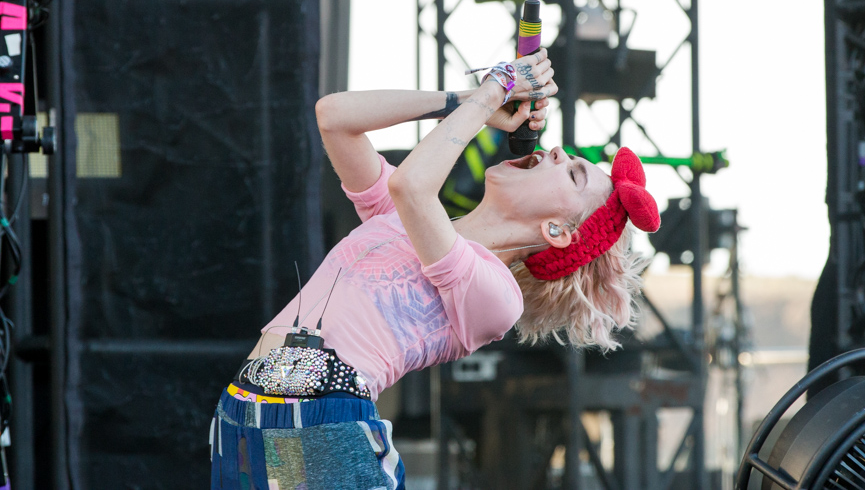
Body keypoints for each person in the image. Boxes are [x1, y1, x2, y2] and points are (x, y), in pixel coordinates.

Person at [208, 49, 660, 489]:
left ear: (558, 229)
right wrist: (464, 102)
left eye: (575, 174)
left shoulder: (497, 296)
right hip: (247, 408)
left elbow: (412, 185)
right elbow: (334, 116)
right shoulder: (397, 213)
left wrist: (495, 89)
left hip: (326, 421)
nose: (559, 153)